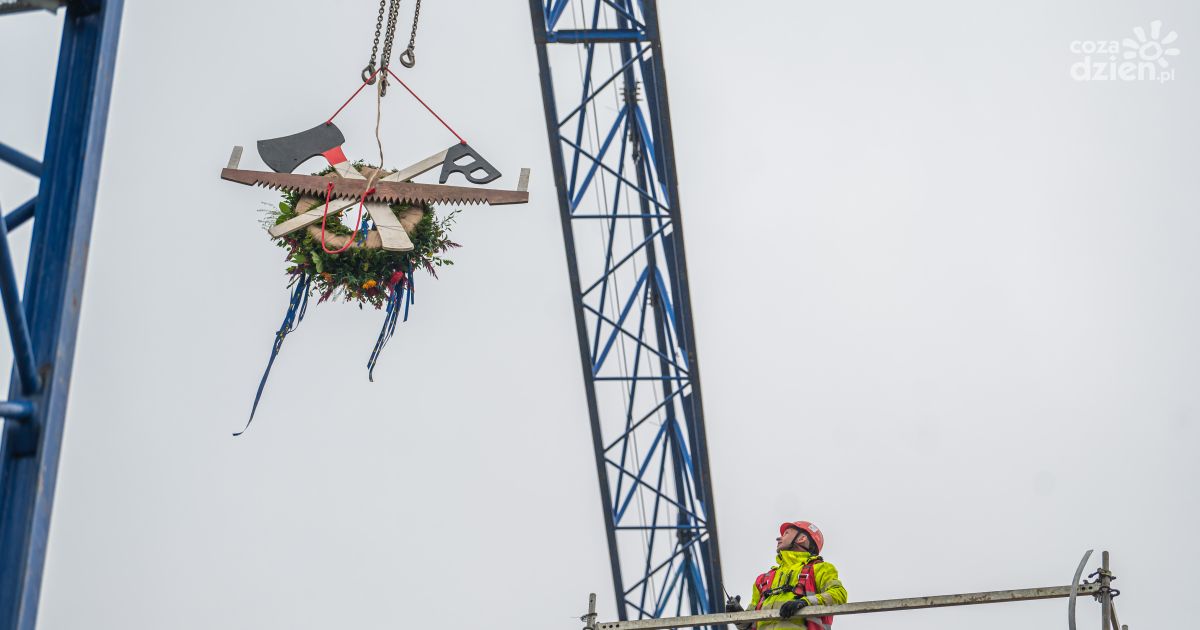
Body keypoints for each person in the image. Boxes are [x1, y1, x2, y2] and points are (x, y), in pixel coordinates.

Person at [725, 521, 847, 630]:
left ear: (802, 538)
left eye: (786, 533)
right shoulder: (763, 580)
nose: (779, 538)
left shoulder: (819, 569)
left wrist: (805, 602)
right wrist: (739, 615)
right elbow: (749, 625)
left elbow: (838, 594)